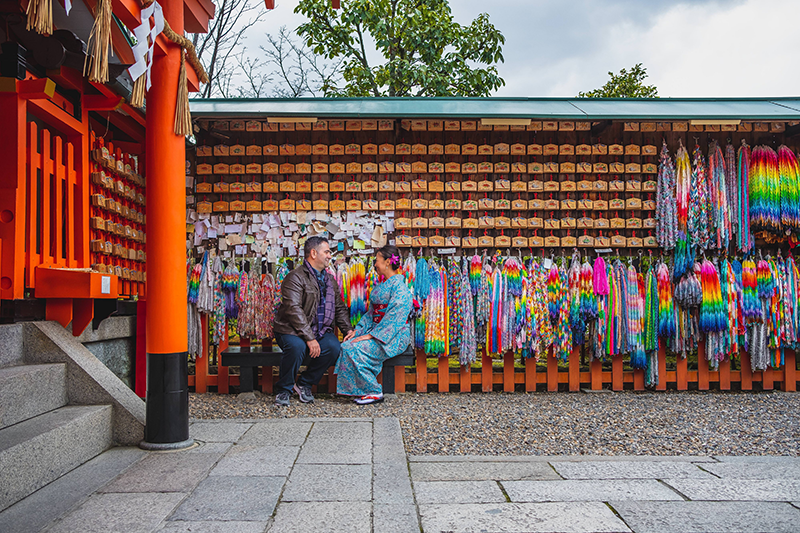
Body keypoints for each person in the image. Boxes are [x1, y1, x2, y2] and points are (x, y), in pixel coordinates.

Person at [272, 236, 353, 406]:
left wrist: (348, 330)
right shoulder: (294, 277)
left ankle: (304, 383)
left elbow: (338, 307)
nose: (330, 256)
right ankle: (284, 389)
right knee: (297, 346)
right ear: (314, 253)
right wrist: (309, 338)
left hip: (319, 329)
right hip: (290, 329)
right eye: (327, 252)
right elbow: (293, 310)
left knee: (333, 347)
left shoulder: (329, 279)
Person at [335, 245, 413, 404]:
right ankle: (360, 390)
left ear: (387, 262)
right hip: (378, 331)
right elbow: (371, 314)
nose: (375, 264)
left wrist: (372, 335)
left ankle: (374, 391)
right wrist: (358, 331)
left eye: (377, 260)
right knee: (347, 344)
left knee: (353, 348)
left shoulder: (400, 287)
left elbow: (396, 316)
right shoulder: (382, 285)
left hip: (393, 336)